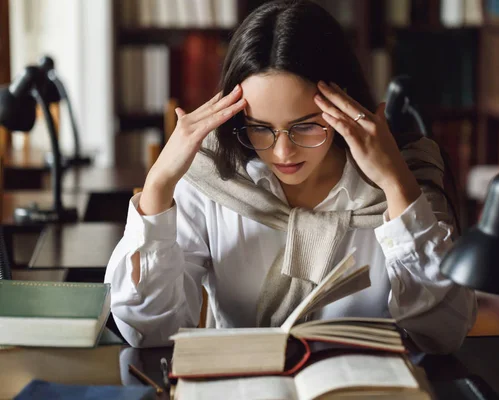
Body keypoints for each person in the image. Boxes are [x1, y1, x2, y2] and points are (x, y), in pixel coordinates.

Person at [105, 0, 477, 353]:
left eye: (305, 127)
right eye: (260, 128)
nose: (282, 152)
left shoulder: (406, 174)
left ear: (343, 103)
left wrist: (397, 188)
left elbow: (444, 333)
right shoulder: (213, 180)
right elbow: (149, 332)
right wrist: (157, 186)